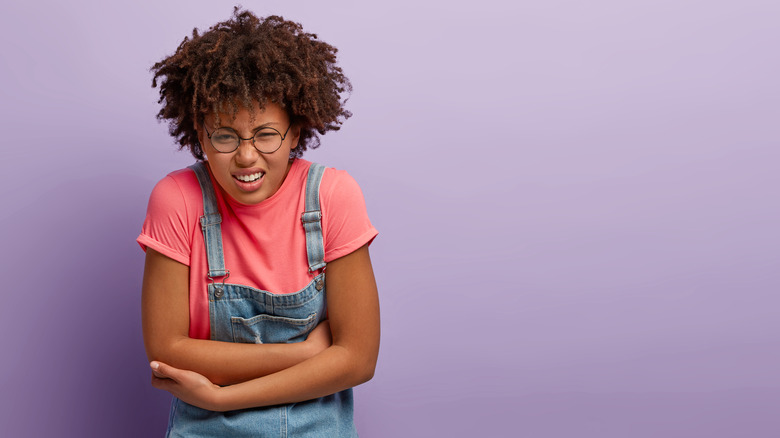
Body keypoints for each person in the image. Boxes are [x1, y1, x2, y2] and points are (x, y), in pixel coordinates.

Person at [137, 8, 380, 437]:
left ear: (297, 130)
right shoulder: (177, 200)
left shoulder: (331, 197)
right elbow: (166, 350)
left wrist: (219, 397)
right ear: (199, 131)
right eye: (225, 136)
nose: (246, 157)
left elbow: (358, 360)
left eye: (266, 134)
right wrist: (309, 355)